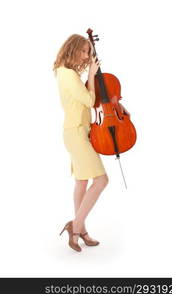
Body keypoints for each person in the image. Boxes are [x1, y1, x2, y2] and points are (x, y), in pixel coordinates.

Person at [53, 34, 109, 252]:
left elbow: (91, 102)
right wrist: (93, 74)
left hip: (77, 132)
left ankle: (81, 231)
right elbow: (89, 100)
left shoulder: (67, 73)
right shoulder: (68, 74)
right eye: (83, 51)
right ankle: (75, 226)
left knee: (81, 181)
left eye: (88, 51)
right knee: (102, 180)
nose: (86, 55)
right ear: (72, 49)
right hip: (76, 133)